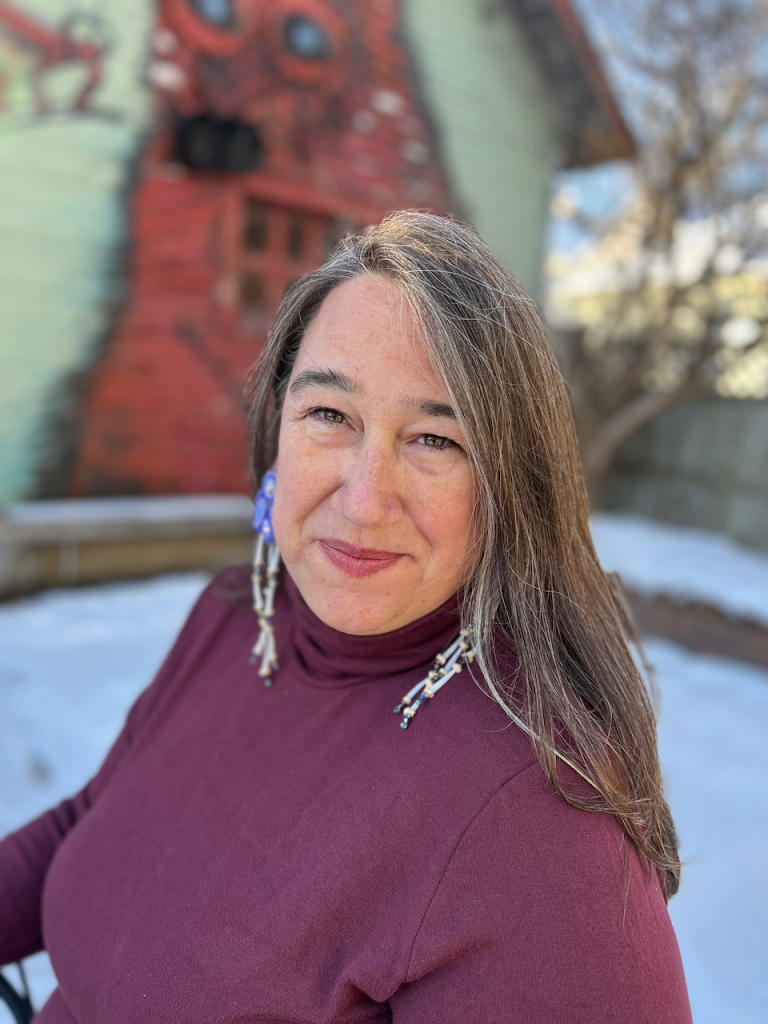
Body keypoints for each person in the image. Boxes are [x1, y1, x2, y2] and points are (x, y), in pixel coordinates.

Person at [0, 211, 692, 1023]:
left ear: (512, 490)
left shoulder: (539, 817)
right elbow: (99, 821)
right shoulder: (235, 617)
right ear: (277, 433)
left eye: (435, 438)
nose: (364, 502)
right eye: (330, 416)